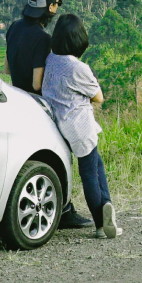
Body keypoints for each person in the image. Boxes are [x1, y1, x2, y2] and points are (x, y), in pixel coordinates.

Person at [6, 0, 91, 229]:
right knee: (59, 153)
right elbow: (36, 82)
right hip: (37, 105)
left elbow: (7, 69)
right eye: (56, 4)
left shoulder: (13, 28)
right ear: (51, 7)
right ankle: (64, 210)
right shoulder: (43, 39)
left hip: (17, 100)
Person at [41, 14, 119, 239]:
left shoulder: (51, 59)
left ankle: (107, 207)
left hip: (60, 125)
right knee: (89, 174)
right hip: (80, 126)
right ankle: (101, 224)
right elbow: (99, 97)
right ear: (79, 39)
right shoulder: (78, 68)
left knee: (96, 166)